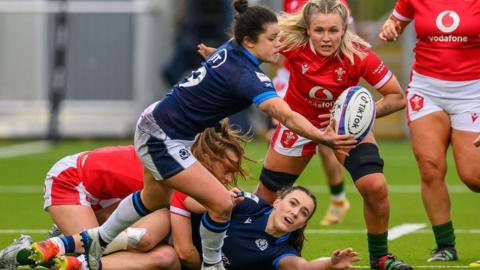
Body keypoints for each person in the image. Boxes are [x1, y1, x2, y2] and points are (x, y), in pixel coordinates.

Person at [26, 1, 358, 270]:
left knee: (152, 200)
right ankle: (212, 266)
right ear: (250, 41)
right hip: (162, 136)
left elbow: (234, 57)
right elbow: (284, 114)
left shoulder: (232, 50)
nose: (279, 44)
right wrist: (324, 137)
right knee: (220, 202)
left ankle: (82, 243)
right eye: (272, 38)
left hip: (160, 127)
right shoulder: (249, 76)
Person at [254, 1, 410, 269]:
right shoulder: (291, 44)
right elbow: (249, 50)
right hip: (298, 124)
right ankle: (249, 250)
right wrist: (223, 56)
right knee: (265, 198)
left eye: (333, 31)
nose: (326, 38)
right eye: (319, 30)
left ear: (344, 30)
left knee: (375, 187)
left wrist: (353, 115)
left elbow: (397, 98)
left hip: (343, 129)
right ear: (308, 30)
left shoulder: (358, 54)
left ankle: (381, 258)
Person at [1, 119, 251, 270]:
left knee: (159, 254)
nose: (228, 178)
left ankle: (70, 240)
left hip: (107, 199)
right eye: (227, 170)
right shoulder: (178, 170)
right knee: (93, 255)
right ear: (208, 157)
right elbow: (202, 204)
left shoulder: (184, 163)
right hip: (71, 181)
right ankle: (27, 251)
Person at [379, 0, 480, 263]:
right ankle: (445, 246)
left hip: (473, 92)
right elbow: (395, 23)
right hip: (427, 89)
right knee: (430, 166)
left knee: (474, 176)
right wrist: (390, 28)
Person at [271, 0, 356, 226]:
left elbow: (350, 42)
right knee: (280, 128)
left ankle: (338, 199)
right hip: (290, 77)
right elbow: (280, 36)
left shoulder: (337, 6)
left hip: (325, 80)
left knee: (326, 144)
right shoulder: (291, 2)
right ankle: (275, 202)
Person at [171, 185, 360, 270]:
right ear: (277, 203)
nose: (295, 213)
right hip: (177, 230)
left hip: (180, 261)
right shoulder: (251, 206)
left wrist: (330, 264)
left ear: (302, 224)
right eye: (293, 203)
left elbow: (302, 266)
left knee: (163, 258)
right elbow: (201, 202)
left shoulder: (282, 251)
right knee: (148, 237)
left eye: (303, 213)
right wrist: (226, 199)